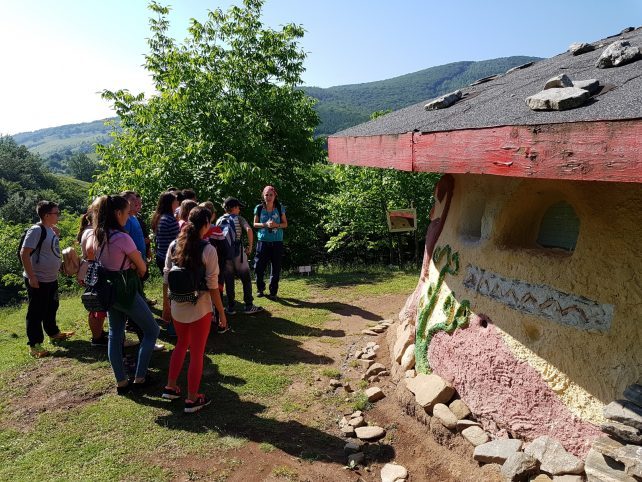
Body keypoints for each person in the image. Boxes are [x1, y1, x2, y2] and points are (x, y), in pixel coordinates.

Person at [162, 206, 227, 413]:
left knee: (181, 344)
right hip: (200, 307)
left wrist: (166, 305)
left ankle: (170, 387)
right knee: (197, 353)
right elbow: (213, 286)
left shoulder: (174, 245)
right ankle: (192, 398)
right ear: (206, 225)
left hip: (177, 305)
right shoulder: (208, 249)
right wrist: (221, 313)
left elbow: (166, 277)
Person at [93, 195, 160, 394]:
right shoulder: (122, 238)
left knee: (115, 335)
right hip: (125, 290)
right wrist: (135, 265)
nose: (128, 216)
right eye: (126, 212)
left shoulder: (98, 235)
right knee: (152, 331)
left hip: (109, 291)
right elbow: (142, 267)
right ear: (117, 213)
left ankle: (121, 381)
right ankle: (140, 377)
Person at [20, 200, 74, 357]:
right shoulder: (36, 230)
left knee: (51, 306)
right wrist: (32, 277)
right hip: (38, 279)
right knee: (36, 312)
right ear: (46, 215)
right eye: (56, 213)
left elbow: (51, 251)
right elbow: (24, 253)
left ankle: (53, 333)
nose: (59, 216)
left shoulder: (50, 229)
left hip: (50, 278)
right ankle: (35, 345)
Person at [216, 197, 263, 315]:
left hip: (225, 254)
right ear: (234, 208)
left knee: (229, 280)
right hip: (238, 253)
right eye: (238, 207)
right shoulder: (239, 218)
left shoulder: (219, 220)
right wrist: (250, 246)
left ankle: (230, 308)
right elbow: (249, 230)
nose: (239, 210)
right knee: (246, 279)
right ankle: (248, 306)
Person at [77, 204, 108, 346]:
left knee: (95, 305)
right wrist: (95, 263)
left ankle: (98, 334)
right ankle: (97, 338)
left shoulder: (86, 230)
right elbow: (90, 250)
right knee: (97, 306)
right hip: (93, 272)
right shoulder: (92, 232)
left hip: (87, 271)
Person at [253, 186, 288, 299]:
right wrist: (265, 224)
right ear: (263, 196)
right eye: (266, 195)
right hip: (262, 242)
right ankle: (260, 289)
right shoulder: (259, 208)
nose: (268, 197)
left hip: (277, 242)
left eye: (271, 195)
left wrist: (276, 225)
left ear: (275, 196)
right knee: (259, 267)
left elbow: (285, 224)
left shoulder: (280, 207)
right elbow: (255, 224)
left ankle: (273, 292)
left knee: (276, 268)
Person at [151, 191, 180, 325]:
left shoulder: (159, 217)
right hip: (169, 258)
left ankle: (167, 316)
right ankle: (171, 318)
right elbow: (178, 239)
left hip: (161, 255)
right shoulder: (170, 219)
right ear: (170, 203)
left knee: (167, 287)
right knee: (173, 290)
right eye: (176, 201)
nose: (178, 203)